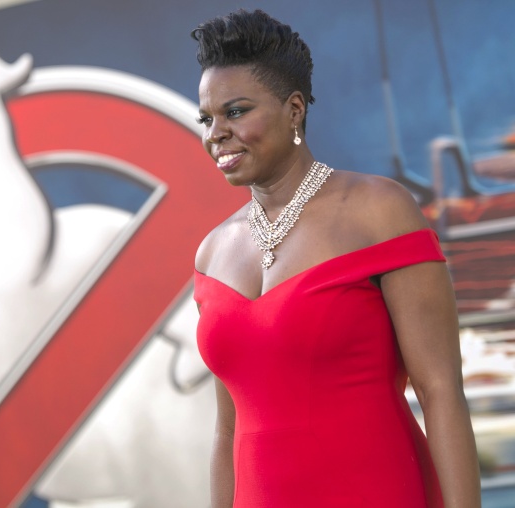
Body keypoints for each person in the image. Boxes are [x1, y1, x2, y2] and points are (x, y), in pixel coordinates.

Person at [190, 9, 481, 508]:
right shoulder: (212, 252)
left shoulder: (379, 211)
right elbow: (227, 431)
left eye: (235, 111)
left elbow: (440, 392)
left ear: (295, 109)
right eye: (207, 118)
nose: (216, 132)